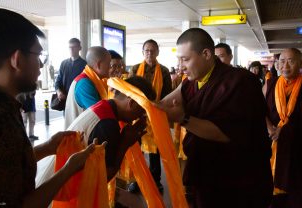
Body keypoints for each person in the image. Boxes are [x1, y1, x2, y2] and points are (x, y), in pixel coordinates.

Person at [0, 8, 104, 207]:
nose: (41, 66)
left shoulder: (4, 106)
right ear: (17, 59)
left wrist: (47, 148)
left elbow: (8, 166)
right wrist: (69, 169)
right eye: (38, 56)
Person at [158, 28, 273, 208]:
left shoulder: (241, 81)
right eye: (178, 60)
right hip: (205, 174)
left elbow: (227, 133)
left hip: (237, 179)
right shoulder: (190, 82)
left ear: (206, 54)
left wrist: (183, 118)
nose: (180, 66)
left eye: (185, 59)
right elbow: (164, 105)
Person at [67, 76, 156, 181]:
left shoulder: (103, 105)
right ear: (132, 103)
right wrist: (125, 143)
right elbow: (103, 178)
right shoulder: (107, 124)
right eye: (142, 110)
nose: (141, 116)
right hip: (70, 190)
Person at [129, 39, 172, 192]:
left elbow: (167, 94)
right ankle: (137, 181)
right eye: (147, 50)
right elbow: (131, 91)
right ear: (142, 52)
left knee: (155, 150)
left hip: (156, 114)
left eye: (152, 50)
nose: (149, 53)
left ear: (157, 52)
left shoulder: (165, 71)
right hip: (137, 114)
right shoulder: (135, 69)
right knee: (137, 148)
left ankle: (155, 180)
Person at [264, 48, 302, 208]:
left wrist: (285, 130)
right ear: (277, 65)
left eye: (291, 61)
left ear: (300, 64)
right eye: (282, 61)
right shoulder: (271, 84)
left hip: (297, 146)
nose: (285, 65)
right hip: (273, 141)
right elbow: (260, 109)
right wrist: (269, 127)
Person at [64, 46, 111, 128]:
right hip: (78, 138)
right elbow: (100, 114)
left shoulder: (94, 80)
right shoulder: (84, 83)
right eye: (109, 64)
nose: (110, 67)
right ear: (99, 65)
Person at [54, 38, 87, 109]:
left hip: (79, 102)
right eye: (70, 47)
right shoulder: (63, 63)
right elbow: (58, 81)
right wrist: (59, 92)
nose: (71, 49)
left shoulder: (85, 65)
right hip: (65, 101)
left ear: (79, 48)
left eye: (74, 47)